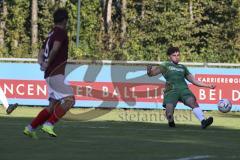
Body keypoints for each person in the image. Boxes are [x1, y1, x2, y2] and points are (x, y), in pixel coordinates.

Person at [24, 8, 75, 139]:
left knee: (52, 106)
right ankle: (49, 124)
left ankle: (30, 128)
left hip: (49, 74)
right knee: (70, 100)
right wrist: (48, 63)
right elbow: (56, 48)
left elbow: (40, 53)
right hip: (56, 73)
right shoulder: (61, 32)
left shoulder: (50, 34)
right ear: (65, 20)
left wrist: (42, 63)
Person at [147, 47, 216, 129]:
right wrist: (149, 70)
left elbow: (193, 80)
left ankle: (203, 121)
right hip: (171, 91)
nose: (177, 57)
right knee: (169, 113)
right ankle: (171, 123)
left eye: (178, 55)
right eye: (174, 55)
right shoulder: (165, 65)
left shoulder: (182, 67)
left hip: (183, 89)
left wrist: (208, 85)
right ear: (169, 57)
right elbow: (152, 74)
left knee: (192, 102)